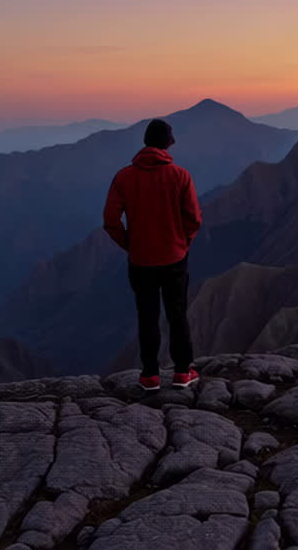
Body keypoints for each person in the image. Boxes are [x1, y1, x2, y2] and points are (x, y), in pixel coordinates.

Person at [104, 119, 203, 392]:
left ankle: (150, 375)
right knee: (177, 314)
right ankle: (183, 372)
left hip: (140, 260)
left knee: (146, 315)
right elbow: (194, 218)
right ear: (167, 143)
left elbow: (111, 220)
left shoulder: (124, 177)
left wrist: (130, 245)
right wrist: (182, 242)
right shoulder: (180, 176)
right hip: (174, 258)